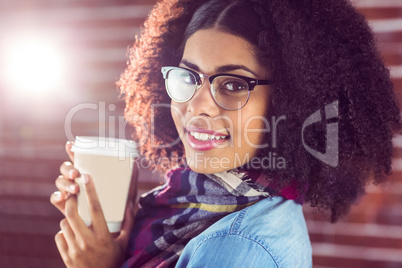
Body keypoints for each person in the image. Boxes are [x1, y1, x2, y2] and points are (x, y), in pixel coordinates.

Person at [50, 0, 401, 267]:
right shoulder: (181, 208)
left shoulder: (237, 247)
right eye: (189, 76)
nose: (196, 106)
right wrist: (118, 241)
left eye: (233, 83)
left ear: (290, 105)